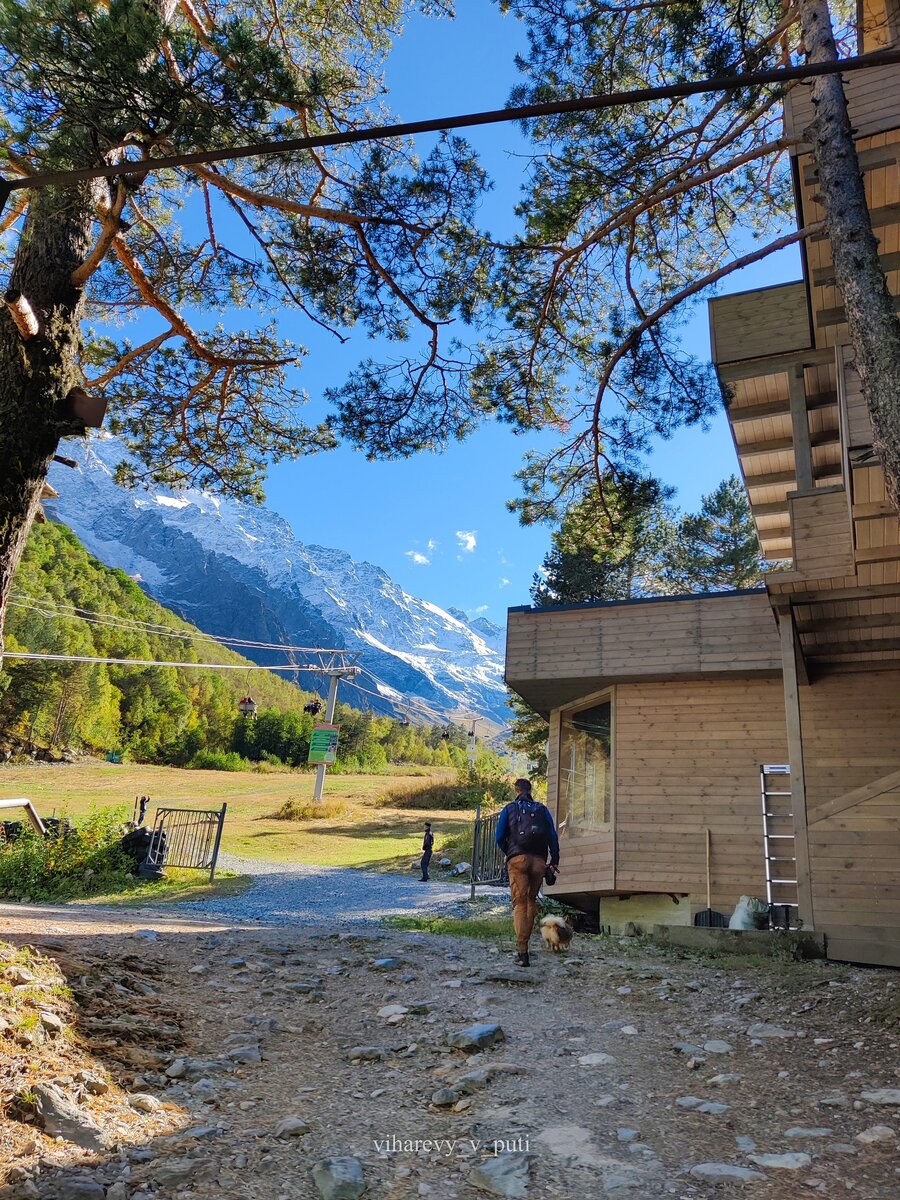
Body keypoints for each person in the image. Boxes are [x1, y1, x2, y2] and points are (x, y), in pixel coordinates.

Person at [495, 778, 560, 967]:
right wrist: (554, 859)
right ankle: (525, 944)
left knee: (520, 903)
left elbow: (499, 836)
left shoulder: (509, 809)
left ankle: (522, 951)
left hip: (517, 860)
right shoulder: (542, 809)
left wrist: (509, 852)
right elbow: (552, 836)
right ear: (530, 791)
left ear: (516, 790)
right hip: (539, 861)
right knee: (531, 901)